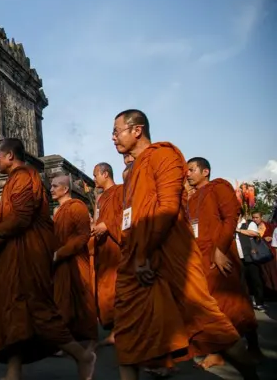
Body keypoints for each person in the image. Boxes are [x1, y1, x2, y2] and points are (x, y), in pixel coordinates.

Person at [111, 109, 257, 380]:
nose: (113, 137)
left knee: (208, 324)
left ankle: (252, 376)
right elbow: (133, 217)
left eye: (116, 130)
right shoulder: (131, 173)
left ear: (137, 130)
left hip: (169, 256)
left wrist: (145, 253)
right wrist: (133, 252)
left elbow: (166, 208)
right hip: (135, 259)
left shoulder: (163, 156)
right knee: (128, 331)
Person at [0, 138, 95, 380]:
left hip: (28, 257)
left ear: (9, 156)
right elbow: (15, 218)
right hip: (17, 255)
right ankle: (13, 371)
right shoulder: (15, 180)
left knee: (38, 311)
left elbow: (22, 219)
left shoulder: (25, 176)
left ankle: (82, 355)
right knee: (15, 313)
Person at [186, 157, 261, 366]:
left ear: (205, 171)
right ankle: (218, 350)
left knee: (233, 304)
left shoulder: (218, 187)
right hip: (201, 258)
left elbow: (231, 217)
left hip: (220, 255)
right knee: (210, 304)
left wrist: (219, 250)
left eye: (191, 170)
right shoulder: (191, 199)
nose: (188, 174)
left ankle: (249, 348)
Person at [50, 174, 98, 345]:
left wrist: (62, 252)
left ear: (65, 189)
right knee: (62, 300)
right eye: (52, 186)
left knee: (82, 297)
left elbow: (83, 236)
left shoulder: (77, 207)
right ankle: (66, 339)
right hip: (61, 262)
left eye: (55, 186)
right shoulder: (57, 212)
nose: (52, 189)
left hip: (75, 259)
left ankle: (91, 338)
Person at [89, 162, 122, 347]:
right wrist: (94, 226)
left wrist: (107, 225)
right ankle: (113, 331)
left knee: (115, 290)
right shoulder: (101, 199)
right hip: (103, 249)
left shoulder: (121, 191)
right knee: (104, 292)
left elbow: (127, 216)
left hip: (115, 249)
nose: (94, 179)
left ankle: (118, 331)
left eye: (95, 175)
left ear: (105, 174)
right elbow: (97, 220)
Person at [236, 211, 267, 312]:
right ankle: (245, 302)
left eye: (237, 214)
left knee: (255, 280)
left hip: (251, 256)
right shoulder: (231, 224)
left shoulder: (249, 223)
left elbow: (254, 233)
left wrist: (238, 230)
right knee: (242, 281)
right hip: (238, 257)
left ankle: (259, 303)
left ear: (241, 215)